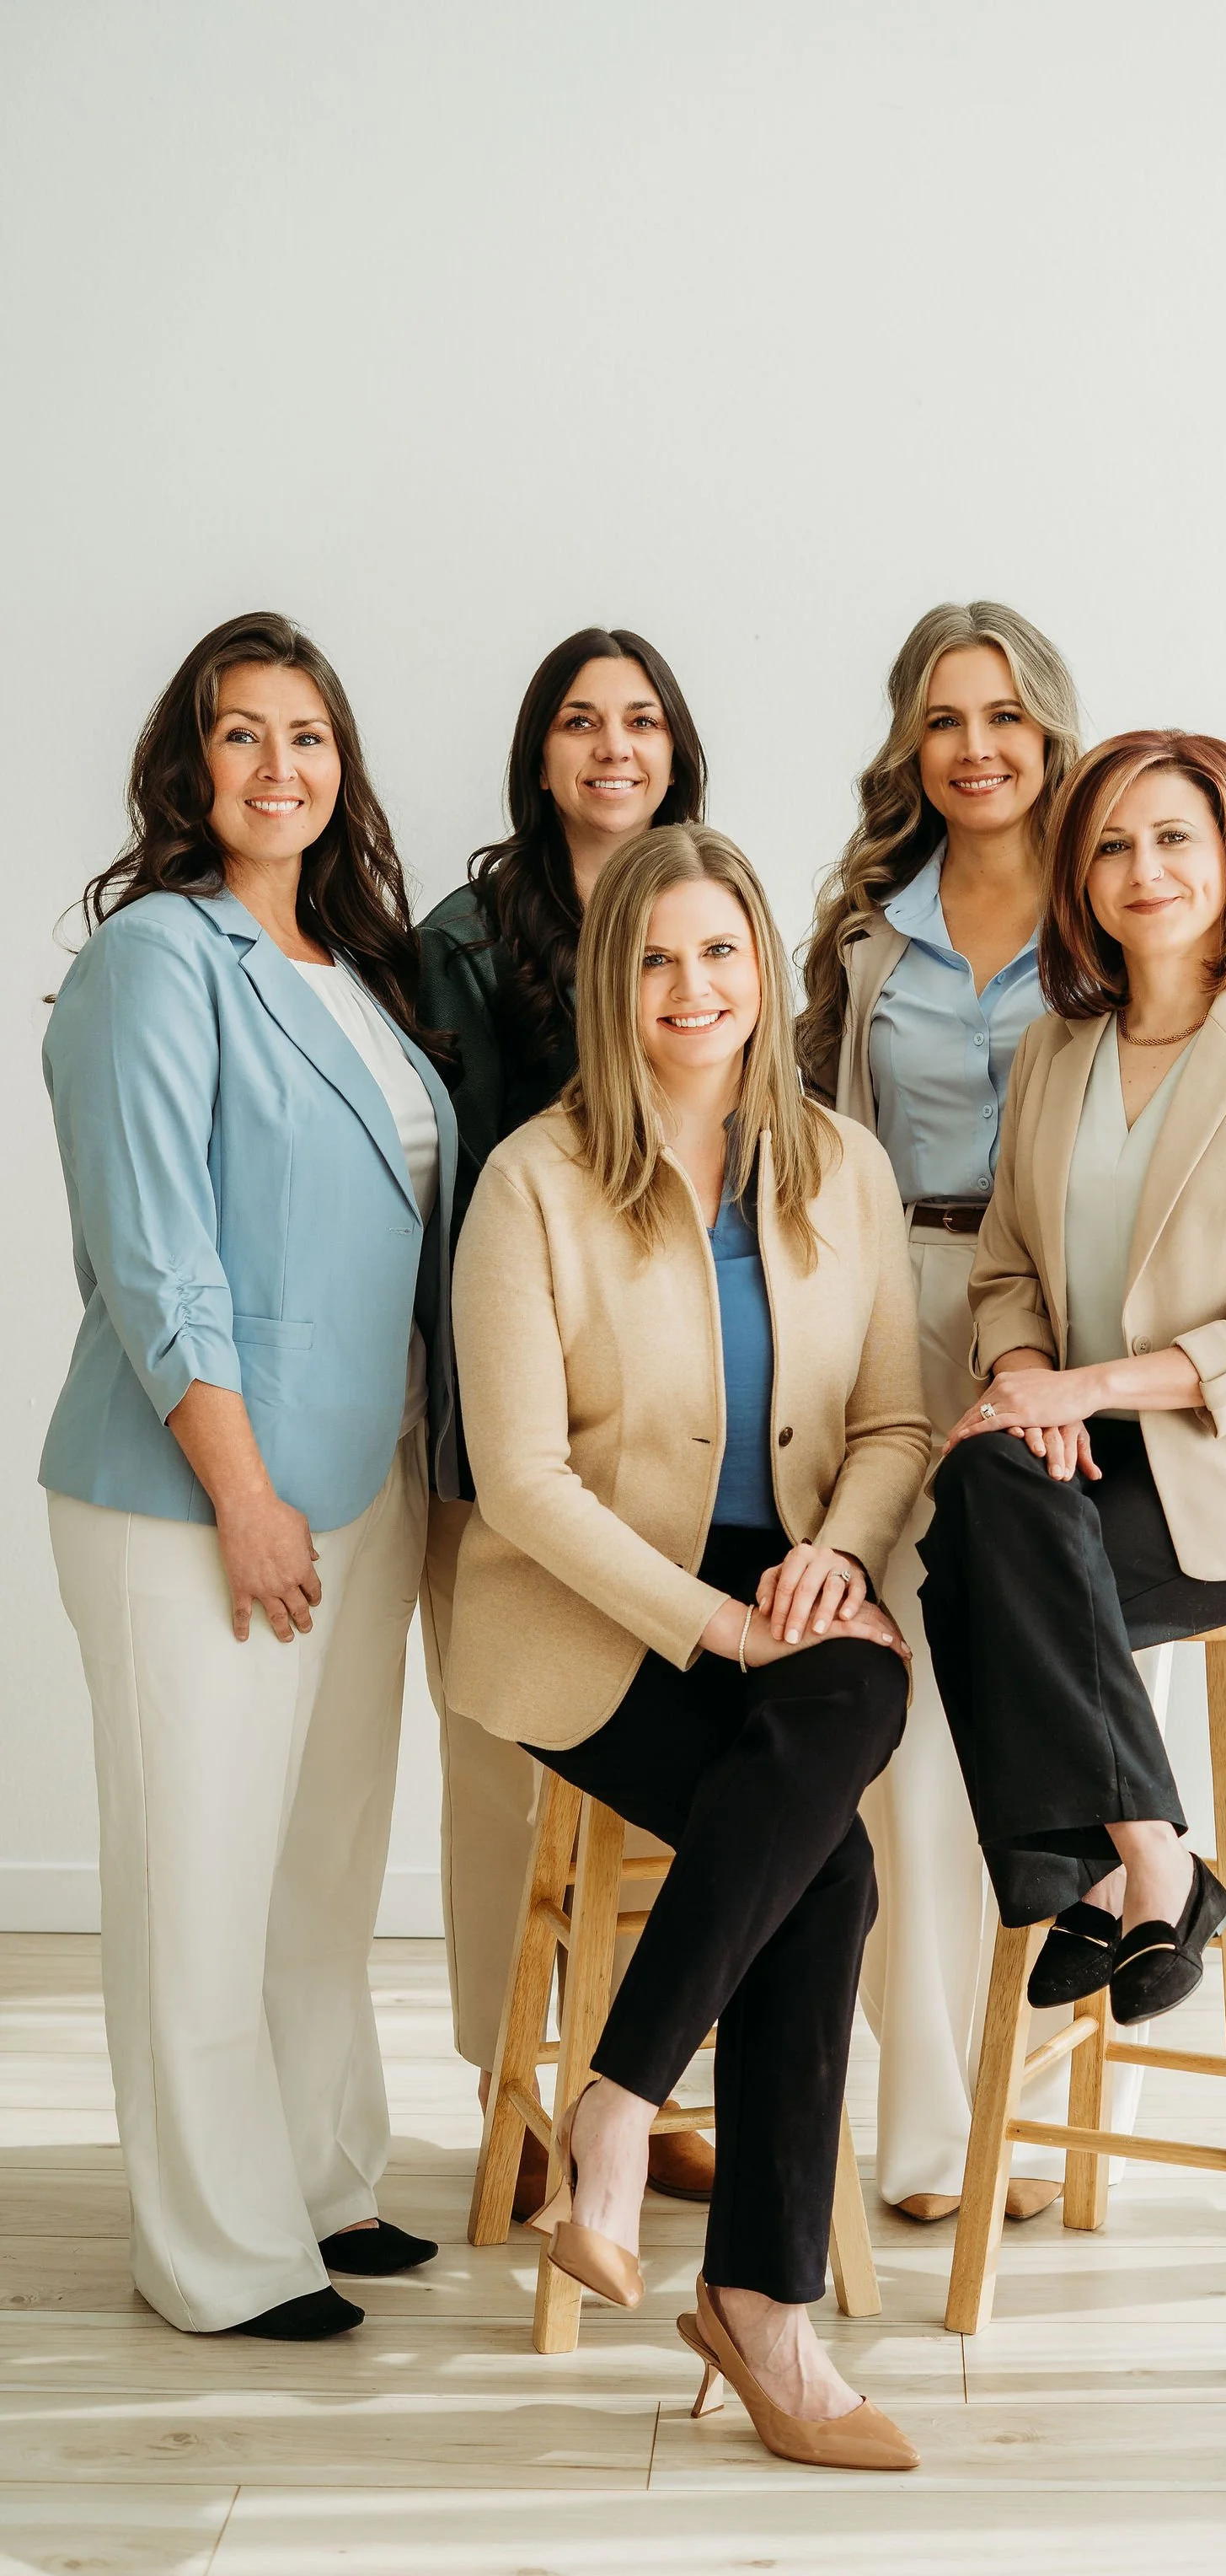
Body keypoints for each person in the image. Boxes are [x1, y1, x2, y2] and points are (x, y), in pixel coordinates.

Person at [448, 824, 926, 2471]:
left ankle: (613, 2108)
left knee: (857, 1686)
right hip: (589, 1613)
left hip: (789, 1587)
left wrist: (833, 1560)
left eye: (720, 952)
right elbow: (517, 1482)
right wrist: (716, 1626)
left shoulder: (842, 1169)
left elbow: (894, 1417)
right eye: (655, 958)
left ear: (763, 972)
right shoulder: (535, 1181)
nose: (691, 988)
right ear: (610, 982)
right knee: (832, 1870)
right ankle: (764, 2312)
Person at [40, 613, 453, 2339]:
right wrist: (241, 1485)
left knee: (319, 1858)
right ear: (185, 765)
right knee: (199, 1867)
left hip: (364, 1479)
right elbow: (155, 1253)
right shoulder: (157, 957)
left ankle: (318, 2175)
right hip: (203, 1488)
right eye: (241, 734)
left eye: (308, 735)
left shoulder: (347, 969)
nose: (280, 766)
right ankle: (213, 2251)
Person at [919, 731, 1226, 2013]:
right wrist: (1028, 1379)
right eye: (1114, 845)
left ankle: (1092, 1873)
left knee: (982, 1552)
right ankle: (1152, 1864)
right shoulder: (1055, 1056)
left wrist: (1084, 1390)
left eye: (1176, 836)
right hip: (1080, 1459)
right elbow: (1007, 1269)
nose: (1146, 869)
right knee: (977, 1492)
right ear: (1079, 878)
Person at [798, 599, 1099, 2222]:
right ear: (911, 743)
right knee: (895, 1731)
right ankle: (929, 2139)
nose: (976, 748)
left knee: (1042, 1720)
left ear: (1049, 727)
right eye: (943, 719)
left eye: (1003, 715)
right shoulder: (864, 931)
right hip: (892, 1319)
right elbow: (819, 1156)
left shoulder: (1120, 897)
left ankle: (1030, 2101)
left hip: (1063, 1337)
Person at [415, 627, 715, 2203]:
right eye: (582, 723)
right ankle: (505, 2095)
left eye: (643, 721)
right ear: (539, 755)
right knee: (501, 1760)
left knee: (665, 1780)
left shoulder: (711, 921)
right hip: (513, 1426)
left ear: (677, 750)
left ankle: (642, 2089)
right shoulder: (466, 942)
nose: (614, 747)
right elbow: (458, 1190)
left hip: (671, 1427)